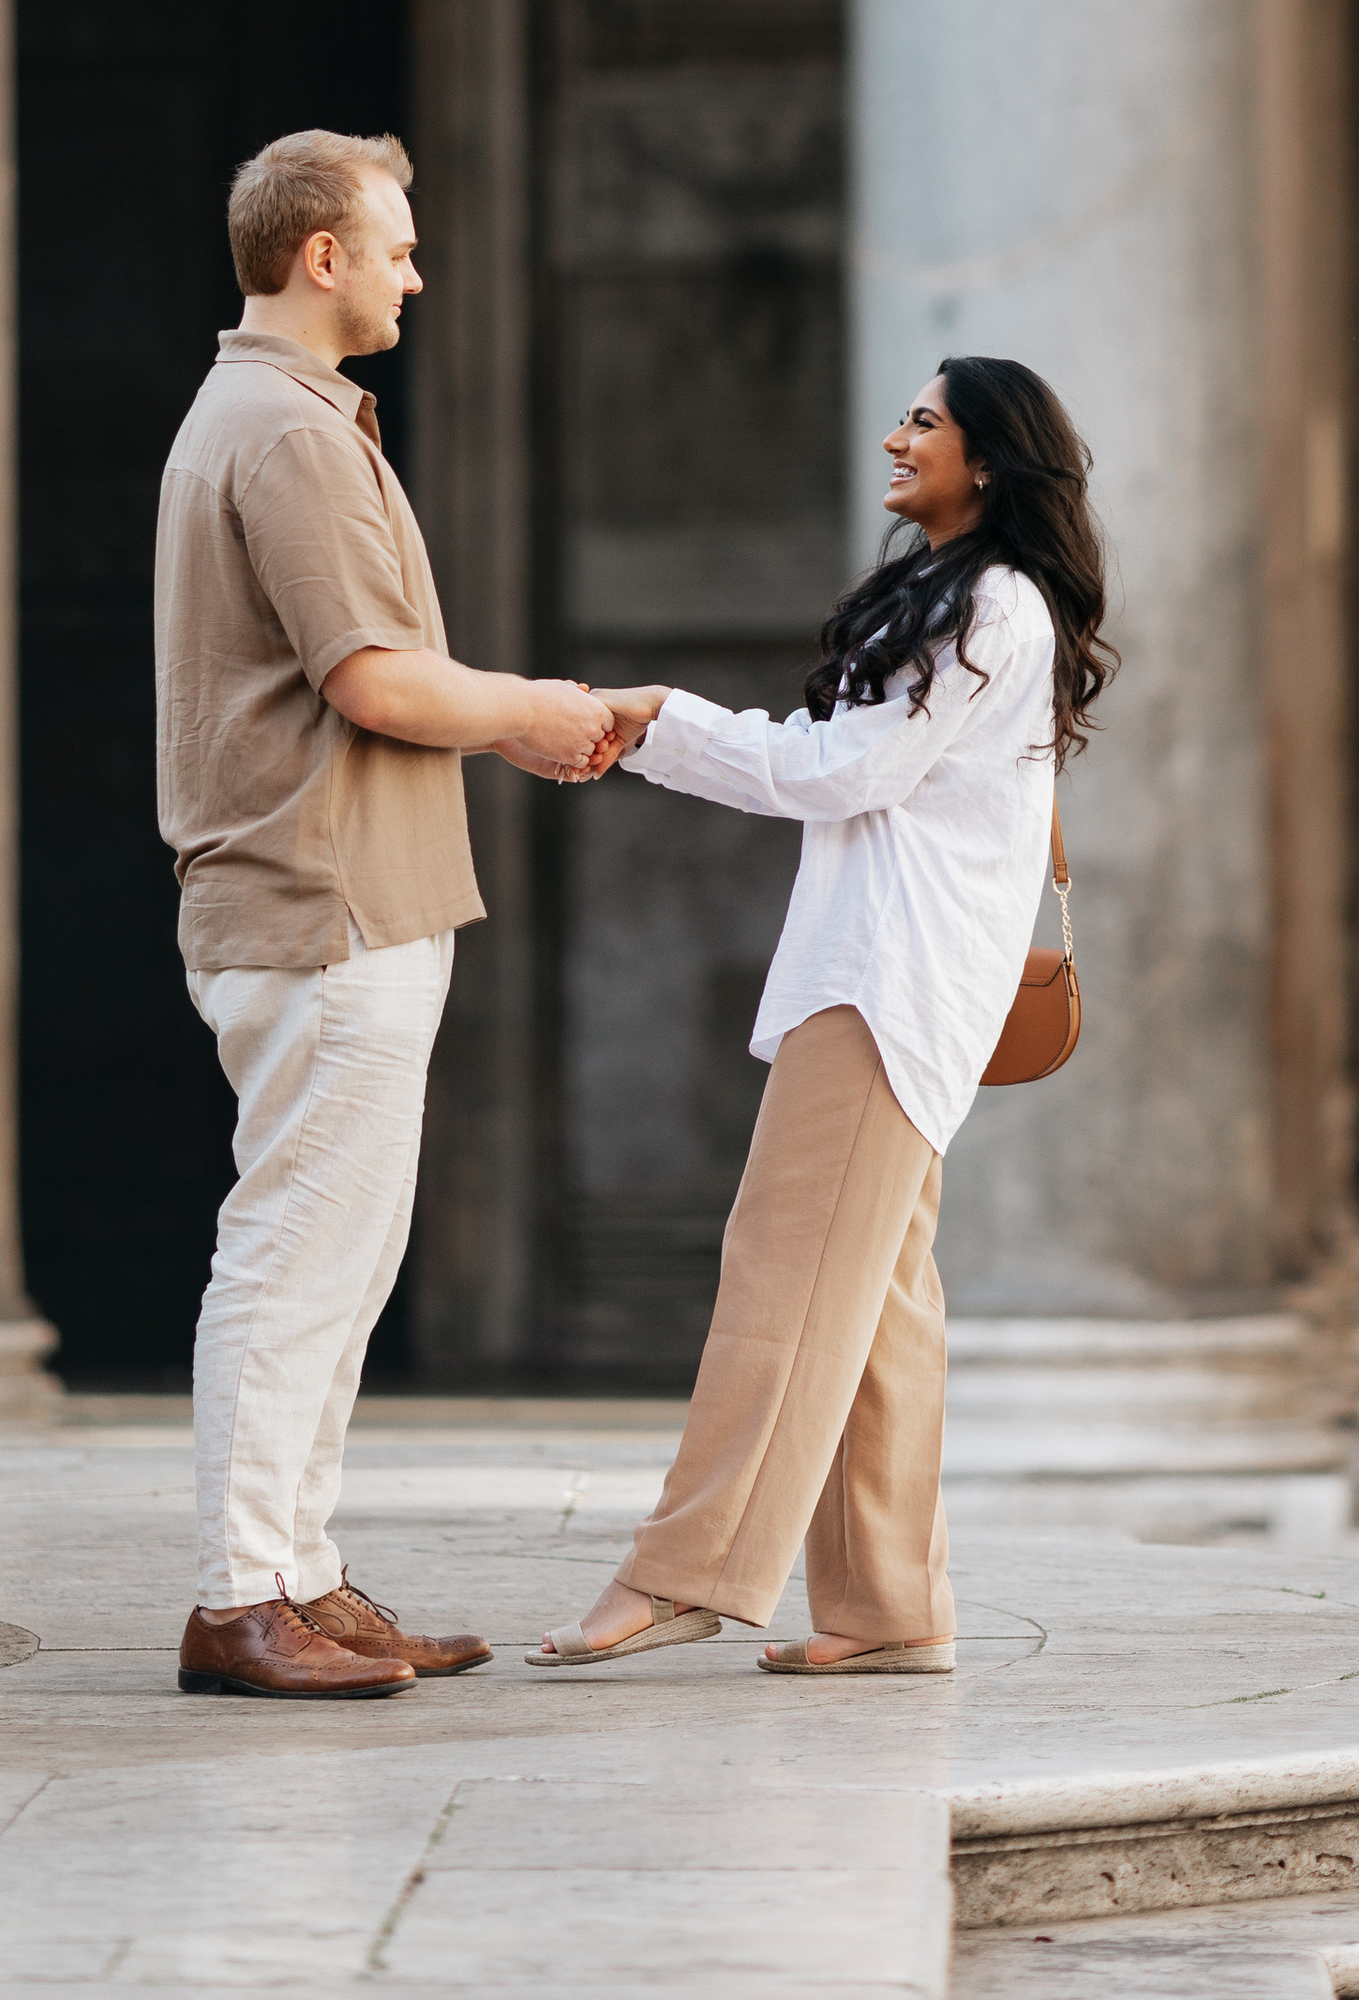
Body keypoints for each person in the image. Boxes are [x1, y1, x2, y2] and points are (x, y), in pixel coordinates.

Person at [529, 353, 1115, 1677]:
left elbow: (842, 773)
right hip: (874, 970)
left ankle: (688, 1571)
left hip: (890, 983)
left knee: (783, 1276)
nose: (897, 436)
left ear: (992, 458)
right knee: (881, 1300)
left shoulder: (998, 610)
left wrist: (653, 718)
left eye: (927, 421)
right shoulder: (942, 593)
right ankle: (889, 1604)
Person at [157, 127, 610, 1700]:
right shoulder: (284, 433)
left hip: (346, 900)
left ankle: (303, 1572)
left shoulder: (287, 419)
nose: (418, 268)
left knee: (340, 1260)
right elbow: (374, 682)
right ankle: (241, 1599)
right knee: (294, 1257)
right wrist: (534, 713)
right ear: (320, 256)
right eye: (398, 243)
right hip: (322, 903)